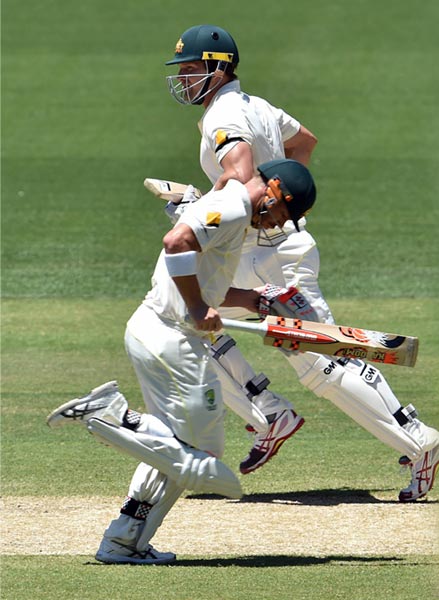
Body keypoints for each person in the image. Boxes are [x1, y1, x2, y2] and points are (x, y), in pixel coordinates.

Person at [163, 24, 439, 501]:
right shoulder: (254, 106)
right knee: (184, 321)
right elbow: (304, 145)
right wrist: (279, 202)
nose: (184, 78)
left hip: (272, 255)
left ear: (218, 68)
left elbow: (242, 176)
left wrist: (200, 211)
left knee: (325, 363)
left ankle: (420, 442)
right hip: (258, 248)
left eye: (192, 68)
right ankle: (268, 411)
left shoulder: (225, 117)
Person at [47, 159, 317, 564]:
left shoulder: (233, 211)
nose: (279, 223)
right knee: (201, 454)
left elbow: (201, 276)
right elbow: (175, 243)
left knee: (177, 451)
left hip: (160, 334)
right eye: (284, 213)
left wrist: (251, 299)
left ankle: (124, 541)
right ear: (275, 191)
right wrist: (194, 307)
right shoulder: (234, 208)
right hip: (171, 339)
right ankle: (113, 416)